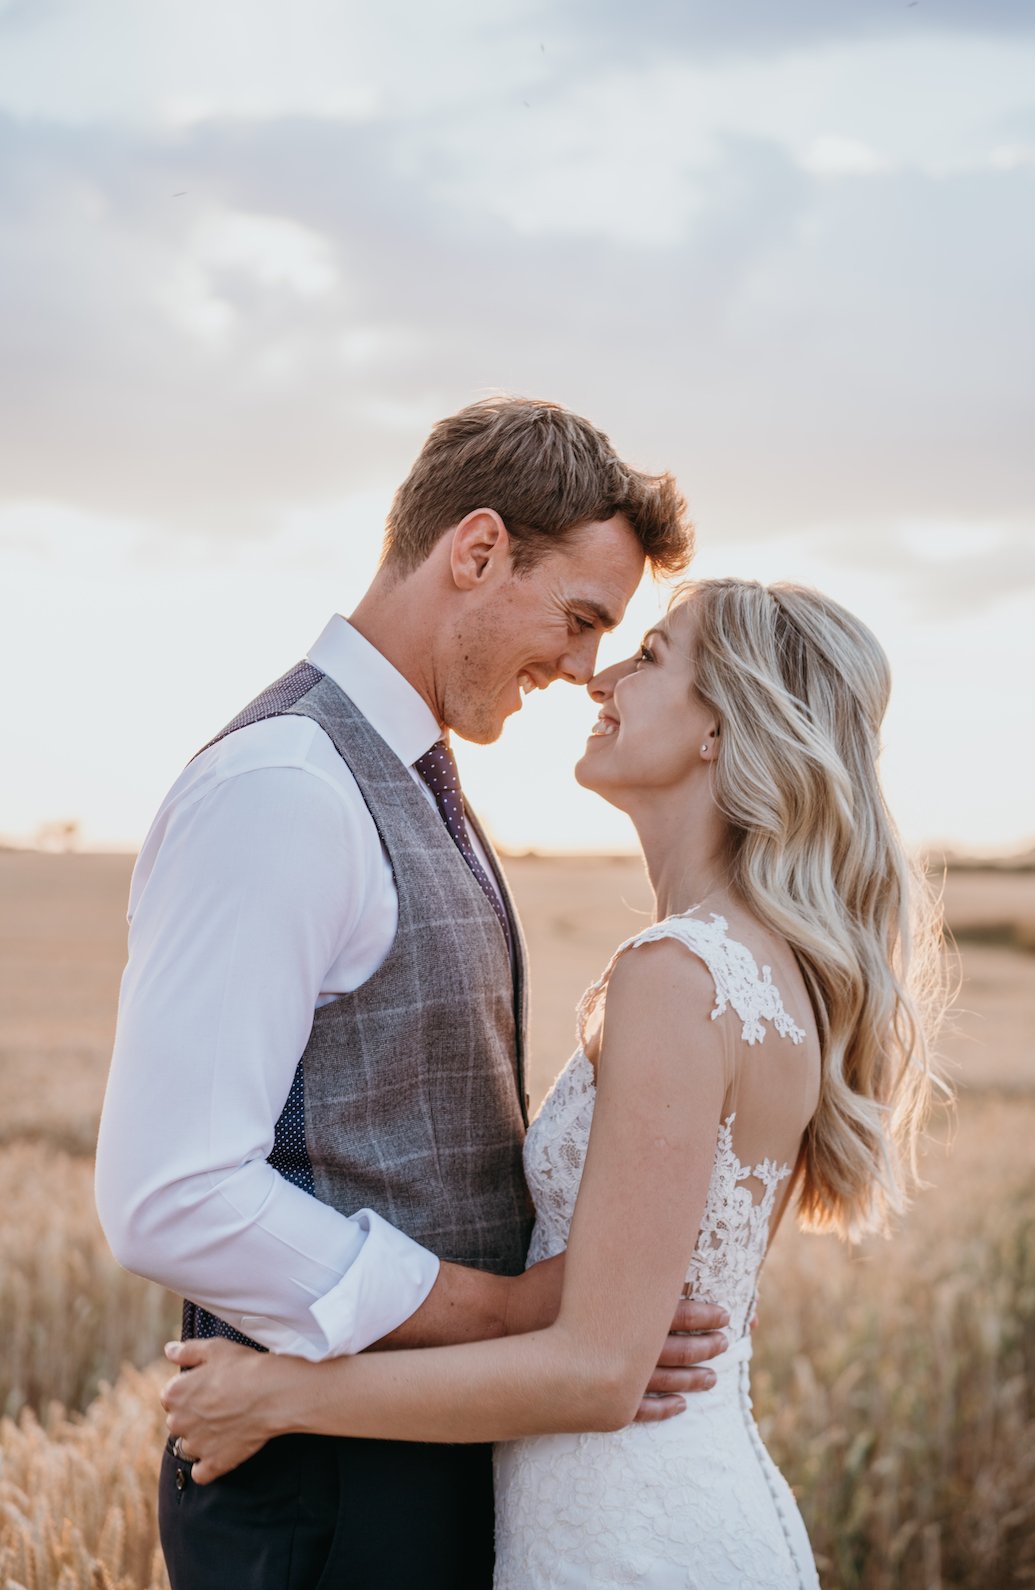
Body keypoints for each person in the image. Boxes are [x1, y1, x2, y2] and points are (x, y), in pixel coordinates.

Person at [162, 576, 945, 1589]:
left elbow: (598, 1373)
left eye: (649, 655)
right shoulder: (763, 966)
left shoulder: (678, 975)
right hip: (667, 1505)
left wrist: (278, 1396)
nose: (599, 677)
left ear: (721, 727)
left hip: (628, 1541)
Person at [96, 396, 731, 1590]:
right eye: (579, 619)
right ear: (477, 550)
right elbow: (171, 1198)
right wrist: (503, 1314)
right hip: (320, 1491)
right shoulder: (284, 786)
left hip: (410, 1455)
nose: (582, 669)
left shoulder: (411, 771)